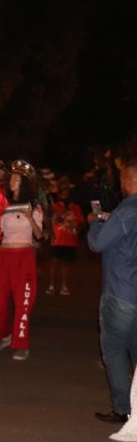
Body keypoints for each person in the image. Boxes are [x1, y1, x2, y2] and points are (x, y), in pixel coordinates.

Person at [88, 158, 137, 424]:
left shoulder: (126, 211)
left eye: (122, 181)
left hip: (120, 292)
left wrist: (94, 222)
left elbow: (98, 244)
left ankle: (122, 408)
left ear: (129, 181)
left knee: (115, 351)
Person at [0, 161, 43, 361]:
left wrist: (30, 218)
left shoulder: (34, 205)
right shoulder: (3, 204)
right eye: (11, 178)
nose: (12, 181)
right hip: (3, 257)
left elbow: (39, 235)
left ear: (24, 183)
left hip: (24, 256)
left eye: (17, 179)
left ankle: (21, 344)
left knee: (23, 302)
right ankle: (4, 336)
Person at [46, 176, 84, 295]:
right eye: (63, 193)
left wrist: (76, 229)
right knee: (54, 262)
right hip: (57, 239)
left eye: (67, 193)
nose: (65, 195)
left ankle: (64, 286)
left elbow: (81, 222)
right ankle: (51, 285)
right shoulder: (56, 206)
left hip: (70, 240)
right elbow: (50, 220)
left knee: (65, 264)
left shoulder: (75, 207)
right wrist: (52, 234)